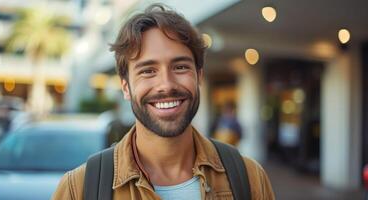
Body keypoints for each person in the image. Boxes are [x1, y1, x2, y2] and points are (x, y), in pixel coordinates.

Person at [53, 4, 274, 200]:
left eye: (180, 67)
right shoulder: (79, 189)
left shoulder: (249, 177)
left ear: (199, 76)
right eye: (148, 71)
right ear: (126, 87)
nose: (166, 84)